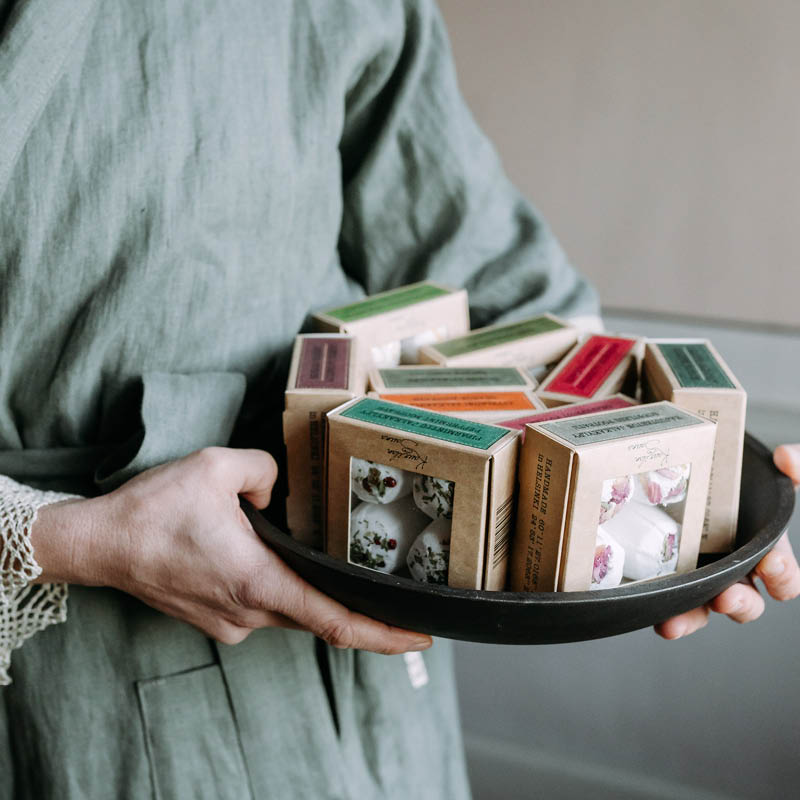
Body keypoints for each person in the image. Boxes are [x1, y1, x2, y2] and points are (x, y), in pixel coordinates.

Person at [1, 1, 798, 797]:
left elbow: (482, 258)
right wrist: (61, 538)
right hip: (66, 661)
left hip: (378, 544)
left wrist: (685, 490)